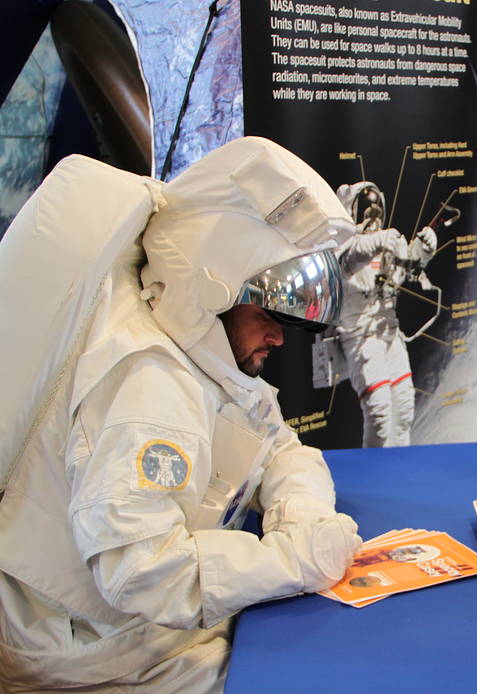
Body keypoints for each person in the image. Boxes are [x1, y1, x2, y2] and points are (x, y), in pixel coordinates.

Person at [0, 137, 364, 692]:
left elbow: (280, 447)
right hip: (103, 655)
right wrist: (293, 561)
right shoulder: (147, 386)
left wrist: (302, 515)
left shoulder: (199, 356)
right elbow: (142, 572)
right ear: (209, 285)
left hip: (138, 632)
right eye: (267, 307)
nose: (277, 335)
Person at [331, 181, 437, 447]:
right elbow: (348, 260)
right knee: (379, 414)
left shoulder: (389, 241)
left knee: (403, 409)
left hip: (389, 334)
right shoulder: (341, 246)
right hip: (361, 338)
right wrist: (376, 241)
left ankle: (399, 467)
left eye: (377, 204)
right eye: (366, 205)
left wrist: (423, 250)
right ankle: (374, 470)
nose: (373, 212)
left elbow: (407, 270)